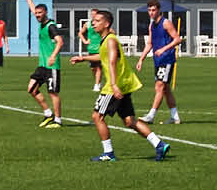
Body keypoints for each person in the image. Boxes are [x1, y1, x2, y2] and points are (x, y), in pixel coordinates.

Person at [70, 10, 171, 163]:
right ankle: (159, 144)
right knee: (129, 121)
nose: (93, 23)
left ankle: (108, 153)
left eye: (97, 20)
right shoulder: (106, 40)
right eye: (93, 20)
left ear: (106, 24)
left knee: (97, 117)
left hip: (114, 86)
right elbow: (102, 56)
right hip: (122, 84)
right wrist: (83, 58)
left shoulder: (110, 40)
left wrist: (113, 84)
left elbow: (111, 61)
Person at [23, 0, 66, 128]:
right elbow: (32, 8)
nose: (37, 15)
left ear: (46, 12)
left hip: (52, 66)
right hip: (42, 65)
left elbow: (60, 42)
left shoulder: (51, 26)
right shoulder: (41, 22)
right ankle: (48, 114)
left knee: (53, 93)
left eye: (40, 13)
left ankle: (58, 120)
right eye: (36, 13)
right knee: (32, 89)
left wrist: (53, 56)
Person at [136, 0, 182, 124]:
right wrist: (141, 59)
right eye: (149, 10)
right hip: (158, 60)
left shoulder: (166, 23)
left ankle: (151, 115)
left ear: (159, 10)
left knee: (159, 87)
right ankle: (175, 117)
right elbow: (149, 43)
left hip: (167, 59)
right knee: (166, 89)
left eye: (153, 10)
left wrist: (164, 49)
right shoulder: (152, 25)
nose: (151, 12)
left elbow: (177, 39)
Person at [82, 17, 105, 92]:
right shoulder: (87, 25)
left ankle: (96, 85)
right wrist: (85, 41)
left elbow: (111, 32)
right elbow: (80, 33)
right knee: (93, 68)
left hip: (99, 49)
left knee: (98, 68)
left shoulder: (102, 25)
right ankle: (99, 81)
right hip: (91, 49)